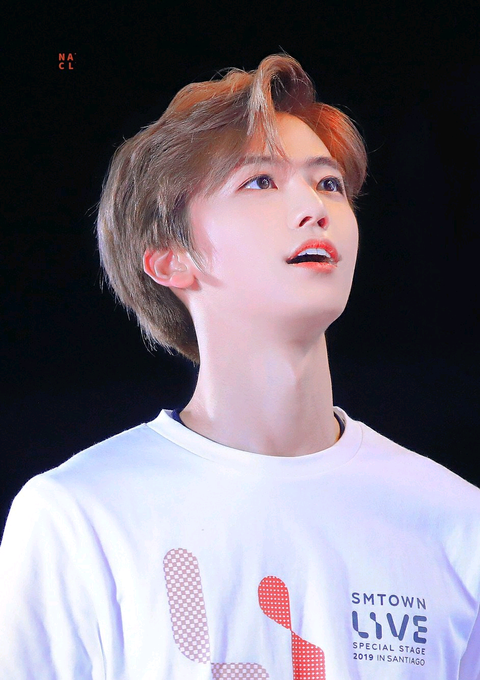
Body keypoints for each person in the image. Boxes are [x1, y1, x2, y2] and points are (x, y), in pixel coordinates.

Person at [1, 54, 479, 680]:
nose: (314, 208)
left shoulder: (455, 522)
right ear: (171, 259)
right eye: (260, 182)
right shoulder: (79, 518)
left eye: (329, 183)